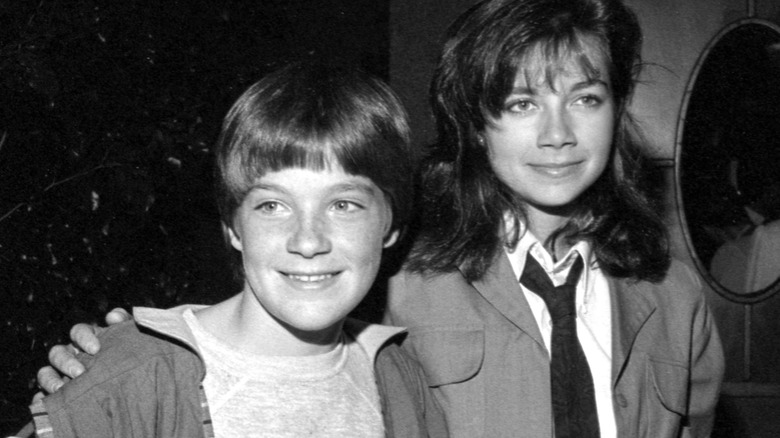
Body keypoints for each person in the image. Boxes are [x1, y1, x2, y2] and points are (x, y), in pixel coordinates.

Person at [38, 0, 725, 437]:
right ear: (476, 124)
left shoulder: (678, 299)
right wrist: (108, 375)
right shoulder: (395, 280)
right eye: (519, 104)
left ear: (617, 108)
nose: (557, 135)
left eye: (586, 98)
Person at [25, 60, 447, 437]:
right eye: (272, 205)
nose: (308, 241)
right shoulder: (135, 377)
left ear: (391, 224)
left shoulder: (398, 378)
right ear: (233, 227)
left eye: (343, 205)